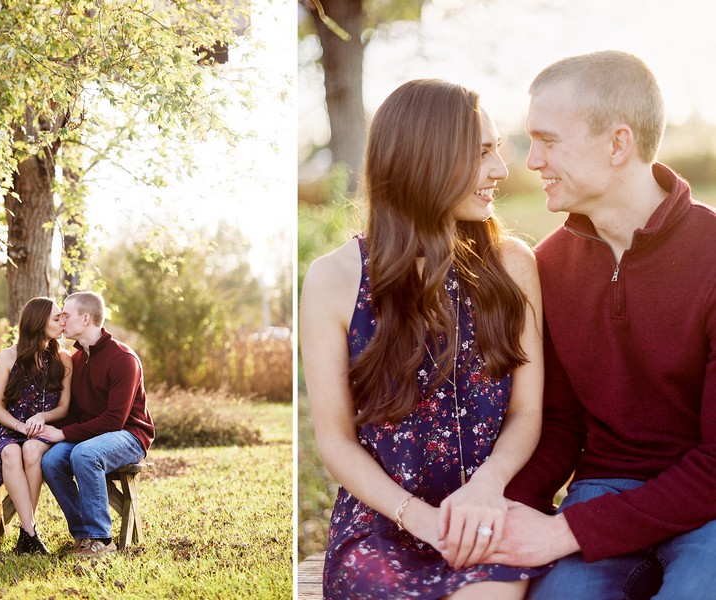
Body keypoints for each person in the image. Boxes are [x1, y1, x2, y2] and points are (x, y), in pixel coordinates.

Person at [301, 79, 548, 599]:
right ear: (424, 158)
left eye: (498, 149)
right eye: (482, 152)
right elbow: (337, 441)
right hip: (384, 525)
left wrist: (486, 487)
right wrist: (421, 520)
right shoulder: (334, 280)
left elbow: (527, 411)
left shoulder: (513, 267)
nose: (501, 169)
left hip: (491, 511)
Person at [486, 50, 716, 600]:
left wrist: (563, 532)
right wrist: (495, 508)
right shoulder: (548, 267)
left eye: (548, 140)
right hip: (602, 490)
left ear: (618, 144)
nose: (531, 160)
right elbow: (559, 423)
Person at [39, 291, 155, 557]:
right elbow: (74, 412)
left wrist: (64, 433)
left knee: (85, 453)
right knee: (52, 460)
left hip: (129, 434)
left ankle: (101, 539)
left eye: (66, 315)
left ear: (86, 318)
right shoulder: (76, 360)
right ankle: (83, 536)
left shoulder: (123, 359)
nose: (62, 321)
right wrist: (46, 431)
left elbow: (116, 419)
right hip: (90, 436)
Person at [0, 296, 72, 555]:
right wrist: (21, 427)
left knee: (32, 450)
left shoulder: (63, 358)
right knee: (11, 451)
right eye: (57, 318)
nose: (63, 322)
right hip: (12, 429)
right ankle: (31, 533)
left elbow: (64, 408)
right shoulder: (8, 356)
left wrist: (42, 418)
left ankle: (27, 536)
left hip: (42, 431)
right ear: (38, 323)